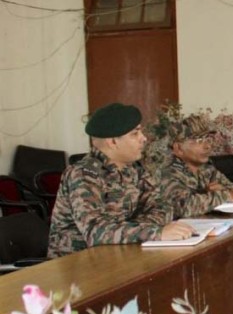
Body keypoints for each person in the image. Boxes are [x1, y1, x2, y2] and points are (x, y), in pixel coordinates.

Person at [48, 103, 194, 258]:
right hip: (78, 262)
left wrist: (136, 229)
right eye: (135, 134)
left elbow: (163, 206)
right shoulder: (84, 174)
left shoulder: (134, 168)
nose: (144, 138)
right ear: (113, 142)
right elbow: (95, 232)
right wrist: (154, 232)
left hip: (121, 253)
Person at [160, 115, 233, 218]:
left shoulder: (207, 168)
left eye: (208, 139)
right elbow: (182, 206)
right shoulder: (167, 171)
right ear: (178, 148)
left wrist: (222, 191)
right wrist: (224, 196)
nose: (207, 146)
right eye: (199, 141)